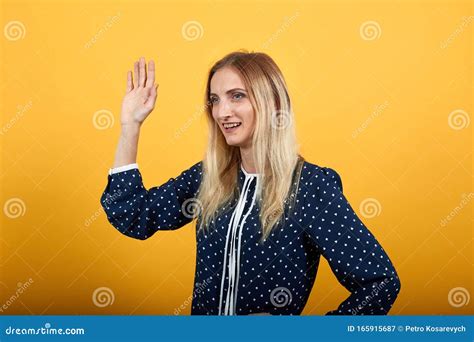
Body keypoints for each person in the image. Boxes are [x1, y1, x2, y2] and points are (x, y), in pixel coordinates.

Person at [100, 51, 401, 315]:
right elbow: (132, 215)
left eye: (237, 96)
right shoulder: (210, 177)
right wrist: (130, 125)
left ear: (271, 102)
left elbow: (380, 283)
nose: (222, 112)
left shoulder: (309, 186)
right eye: (215, 100)